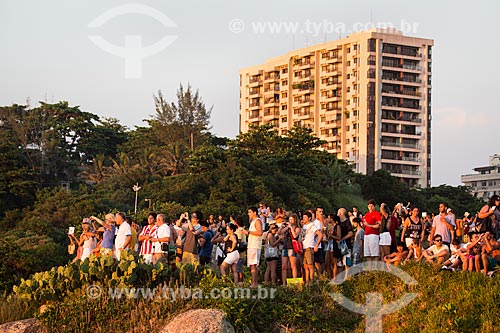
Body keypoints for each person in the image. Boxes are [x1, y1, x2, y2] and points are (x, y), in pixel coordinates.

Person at [242, 206, 263, 287]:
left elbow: (260, 232)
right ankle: (253, 282)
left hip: (255, 245)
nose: (248, 214)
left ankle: (254, 283)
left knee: (254, 264)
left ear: (254, 212)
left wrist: (249, 232)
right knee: (252, 265)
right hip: (251, 245)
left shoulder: (257, 221)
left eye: (250, 212)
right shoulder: (252, 221)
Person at [279, 213, 301, 285]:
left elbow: (295, 236)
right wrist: (282, 227)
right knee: (284, 266)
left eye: (292, 219)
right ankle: (284, 283)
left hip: (292, 247)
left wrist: (291, 227)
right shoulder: (287, 228)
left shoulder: (297, 228)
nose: (290, 221)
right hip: (285, 247)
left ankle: (294, 282)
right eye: (289, 219)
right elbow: (279, 233)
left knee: (293, 266)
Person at [301, 211, 323, 285]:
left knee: (310, 265)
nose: (303, 219)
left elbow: (320, 235)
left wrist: (316, 245)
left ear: (309, 218)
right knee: (305, 266)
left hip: (309, 246)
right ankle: (307, 282)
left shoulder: (312, 225)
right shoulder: (303, 226)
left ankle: (312, 281)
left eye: (305, 217)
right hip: (303, 247)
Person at [325, 214, 342, 278]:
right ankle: (330, 276)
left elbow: (339, 237)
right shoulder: (330, 227)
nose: (327, 219)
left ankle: (334, 277)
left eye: (329, 218)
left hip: (334, 245)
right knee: (327, 262)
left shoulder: (337, 226)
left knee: (334, 262)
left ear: (332, 219)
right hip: (329, 244)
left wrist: (331, 235)